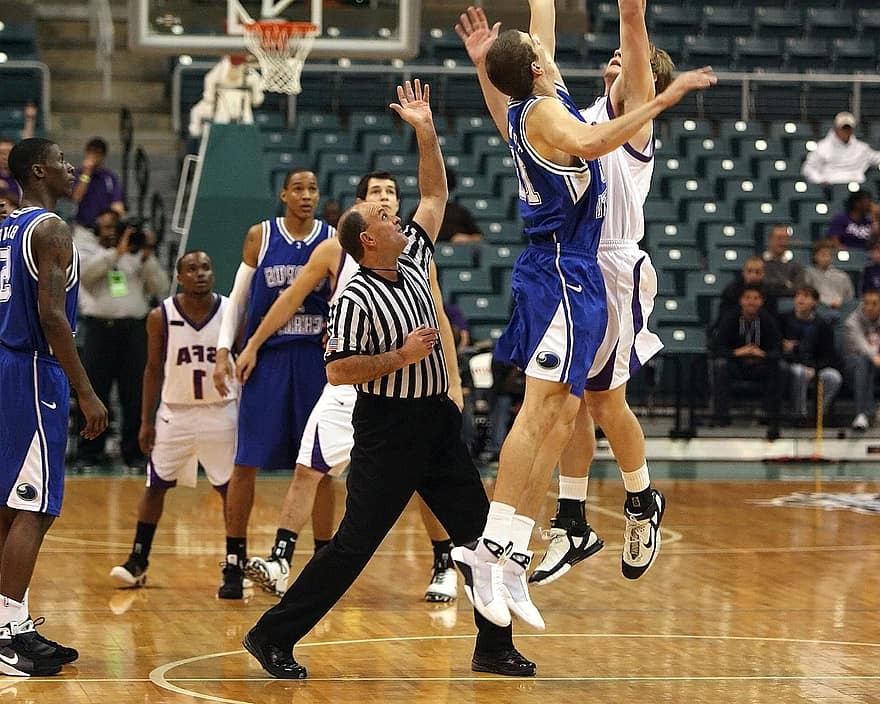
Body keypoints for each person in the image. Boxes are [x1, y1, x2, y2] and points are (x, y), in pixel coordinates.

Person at [243, 79, 534, 679]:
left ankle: (492, 644)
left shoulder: (417, 254)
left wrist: (425, 130)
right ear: (367, 240)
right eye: (383, 215)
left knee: (482, 540)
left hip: (434, 423)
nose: (396, 215)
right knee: (353, 545)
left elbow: (435, 191)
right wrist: (399, 357)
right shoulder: (354, 295)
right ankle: (272, 635)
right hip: (387, 427)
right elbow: (338, 369)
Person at [449, 1, 716, 630]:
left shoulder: (608, 115)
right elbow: (550, 106)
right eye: (619, 60)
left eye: (636, 65)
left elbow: (576, 34)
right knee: (562, 408)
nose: (620, 60)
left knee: (583, 406)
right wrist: (495, 65)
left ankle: (573, 521)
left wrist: (631, 22)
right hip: (571, 270)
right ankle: (523, 536)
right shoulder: (565, 113)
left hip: (607, 275)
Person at [234, 169, 465, 603]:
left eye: (392, 194)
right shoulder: (335, 252)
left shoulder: (416, 252)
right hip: (354, 378)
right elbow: (290, 300)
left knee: (423, 480)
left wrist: (453, 381)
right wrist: (253, 344)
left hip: (408, 388)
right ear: (360, 208)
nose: (387, 200)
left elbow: (438, 321)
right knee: (309, 468)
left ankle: (442, 563)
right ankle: (281, 560)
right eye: (376, 194)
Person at [0, 138, 109, 676]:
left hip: (7, 365)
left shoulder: (6, 227)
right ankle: (5, 634)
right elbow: (51, 316)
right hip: (36, 368)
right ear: (40, 170)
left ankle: (9, 622)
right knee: (36, 505)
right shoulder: (51, 229)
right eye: (64, 161)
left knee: (8, 502)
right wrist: (85, 389)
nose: (72, 169)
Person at [211, 168, 334, 599]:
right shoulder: (260, 235)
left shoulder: (332, 237)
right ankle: (234, 561)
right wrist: (225, 348)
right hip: (267, 358)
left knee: (323, 464)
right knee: (246, 462)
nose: (306, 195)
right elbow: (238, 297)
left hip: (316, 362)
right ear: (283, 194)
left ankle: (323, 563)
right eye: (298, 188)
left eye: (313, 189)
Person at [110, 251, 238, 589]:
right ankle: (138, 558)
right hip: (175, 413)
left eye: (206, 267)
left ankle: (234, 564)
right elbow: (152, 369)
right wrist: (145, 420)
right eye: (192, 269)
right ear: (179, 277)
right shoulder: (160, 316)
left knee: (229, 490)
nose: (200, 274)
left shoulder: (230, 312)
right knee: (156, 485)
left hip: (220, 410)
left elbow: (247, 361)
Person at [74, 209, 170, 469]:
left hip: (134, 332)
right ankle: (89, 453)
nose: (111, 232)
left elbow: (160, 287)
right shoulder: (89, 251)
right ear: (97, 231)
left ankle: (135, 452)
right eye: (105, 228)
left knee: (135, 394)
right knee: (96, 391)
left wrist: (147, 257)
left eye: (114, 227)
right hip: (99, 330)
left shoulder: (136, 256)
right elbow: (87, 276)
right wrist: (116, 252)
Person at [709, 284, 782, 440]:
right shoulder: (730, 318)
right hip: (735, 364)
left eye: (755, 298)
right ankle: (721, 416)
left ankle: (769, 416)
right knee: (720, 365)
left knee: (778, 367)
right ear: (741, 300)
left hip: (760, 364)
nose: (751, 302)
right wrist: (738, 352)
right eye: (748, 298)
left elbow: (777, 349)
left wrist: (762, 354)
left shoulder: (767, 320)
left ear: (761, 302)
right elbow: (717, 348)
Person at [777, 285, 842, 423]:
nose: (801, 299)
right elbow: (773, 346)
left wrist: (815, 369)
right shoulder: (782, 319)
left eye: (806, 296)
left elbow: (830, 356)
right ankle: (799, 415)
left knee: (833, 377)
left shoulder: (822, 325)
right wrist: (783, 347)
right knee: (799, 372)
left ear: (814, 302)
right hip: (790, 364)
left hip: (814, 366)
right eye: (798, 295)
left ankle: (820, 415)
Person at [188, 55, 265, 138]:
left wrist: (210, 99)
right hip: (224, 106)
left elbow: (208, 90)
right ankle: (199, 136)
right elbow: (257, 100)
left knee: (198, 114)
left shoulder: (249, 73)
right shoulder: (223, 68)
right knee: (196, 112)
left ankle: (199, 135)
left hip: (240, 110)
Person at [802, 112, 880, 186]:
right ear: (836, 128)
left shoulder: (862, 148)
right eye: (843, 128)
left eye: (848, 128)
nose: (846, 131)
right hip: (832, 186)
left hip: (857, 186)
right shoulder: (822, 147)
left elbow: (876, 157)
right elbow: (808, 168)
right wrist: (820, 180)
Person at [840, 289, 880, 431]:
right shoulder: (852, 321)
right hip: (853, 364)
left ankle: (867, 413)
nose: (869, 307)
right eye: (867, 303)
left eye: (874, 304)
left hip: (876, 363)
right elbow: (861, 344)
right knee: (864, 362)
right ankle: (862, 414)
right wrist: (874, 357)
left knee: (868, 365)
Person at [71, 137, 125, 236]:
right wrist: (87, 172)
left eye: (97, 153)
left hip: (104, 231)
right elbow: (76, 197)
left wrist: (109, 218)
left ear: (103, 156)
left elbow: (117, 205)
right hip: (83, 228)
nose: (93, 157)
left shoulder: (109, 178)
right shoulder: (77, 174)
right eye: (90, 152)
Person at [803, 239, 855, 323]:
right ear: (815, 256)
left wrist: (841, 302)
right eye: (823, 255)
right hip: (817, 310)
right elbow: (807, 294)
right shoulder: (808, 273)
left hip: (839, 310)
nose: (827, 258)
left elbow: (849, 297)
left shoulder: (842, 276)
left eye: (829, 255)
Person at [717, 255, 778, 324]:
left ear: (763, 274)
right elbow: (724, 316)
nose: (753, 275)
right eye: (749, 271)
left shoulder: (769, 293)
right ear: (743, 272)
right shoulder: (731, 290)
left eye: (757, 272)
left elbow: (772, 319)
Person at [762, 224, 804, 298]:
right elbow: (762, 286)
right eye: (779, 238)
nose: (782, 242)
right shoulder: (759, 263)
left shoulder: (795, 266)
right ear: (770, 240)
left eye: (785, 238)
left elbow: (798, 290)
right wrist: (785, 284)